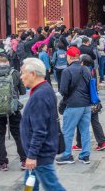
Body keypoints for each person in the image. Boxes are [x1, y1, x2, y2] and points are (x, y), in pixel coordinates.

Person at [20, 58, 65, 191]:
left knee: (53, 186)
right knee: (30, 185)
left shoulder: (40, 95)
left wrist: (32, 155)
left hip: (40, 154)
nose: (21, 77)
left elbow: (39, 130)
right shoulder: (44, 88)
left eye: (23, 73)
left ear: (33, 74)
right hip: (38, 153)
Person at [0, 53, 26, 171]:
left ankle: (3, 163)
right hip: (13, 109)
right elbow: (23, 91)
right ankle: (24, 160)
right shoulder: (15, 73)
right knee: (19, 134)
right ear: (8, 62)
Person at [56, 46, 92, 165]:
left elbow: (63, 90)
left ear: (69, 57)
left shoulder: (67, 71)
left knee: (67, 130)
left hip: (73, 104)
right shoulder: (86, 69)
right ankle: (85, 155)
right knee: (85, 130)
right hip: (86, 104)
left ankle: (67, 155)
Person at [73, 54, 105, 151]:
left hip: (86, 100)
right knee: (95, 121)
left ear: (83, 62)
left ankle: (80, 144)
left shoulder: (83, 72)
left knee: (80, 121)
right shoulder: (92, 70)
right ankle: (102, 142)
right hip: (94, 100)